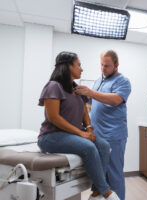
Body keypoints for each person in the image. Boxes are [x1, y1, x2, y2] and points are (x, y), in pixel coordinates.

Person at [37, 51, 120, 200]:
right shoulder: (53, 86)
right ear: (68, 67)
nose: (81, 69)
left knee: (104, 146)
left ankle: (96, 193)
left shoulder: (75, 88)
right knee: (88, 147)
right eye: (79, 65)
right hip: (51, 136)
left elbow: (83, 110)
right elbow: (53, 117)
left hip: (71, 134)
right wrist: (81, 133)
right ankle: (106, 192)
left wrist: (89, 128)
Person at [75, 50, 131, 200]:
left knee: (114, 175)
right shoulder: (99, 81)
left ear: (116, 65)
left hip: (113, 135)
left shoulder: (123, 81)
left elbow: (116, 99)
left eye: (107, 66)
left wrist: (91, 93)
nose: (103, 68)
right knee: (101, 175)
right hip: (97, 136)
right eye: (101, 65)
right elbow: (92, 104)